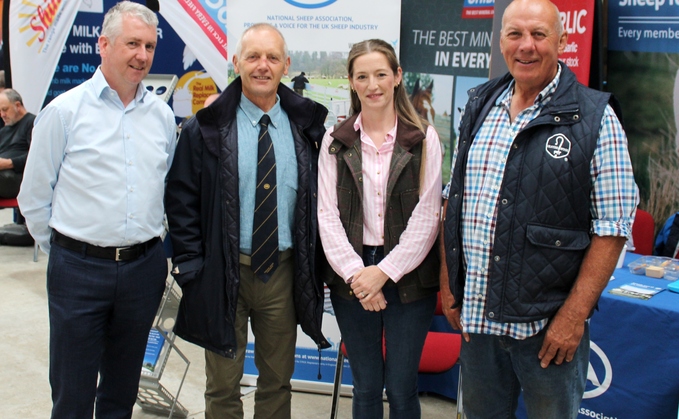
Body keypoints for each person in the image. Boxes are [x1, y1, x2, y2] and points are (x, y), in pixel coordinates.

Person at [440, 0, 638, 417]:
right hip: (479, 322)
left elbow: (613, 226)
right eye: (515, 34)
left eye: (539, 34)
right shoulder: (480, 104)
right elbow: (454, 202)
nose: (526, 46)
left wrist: (573, 317)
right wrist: (450, 285)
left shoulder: (595, 117)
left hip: (547, 329)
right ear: (501, 41)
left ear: (562, 41)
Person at [17, 2, 177, 417]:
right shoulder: (64, 112)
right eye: (132, 44)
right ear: (103, 45)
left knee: (121, 392)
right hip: (78, 270)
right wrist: (67, 253)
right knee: (72, 391)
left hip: (143, 270)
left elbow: (163, 190)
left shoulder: (161, 117)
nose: (142, 55)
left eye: (149, 46)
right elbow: (34, 197)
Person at [165, 23, 329, 419]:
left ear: (286, 65)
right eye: (252, 56)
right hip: (223, 273)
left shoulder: (308, 128)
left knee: (277, 383)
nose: (262, 66)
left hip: (283, 276)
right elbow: (180, 198)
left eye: (272, 57)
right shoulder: (205, 128)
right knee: (222, 386)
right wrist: (190, 266)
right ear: (236, 62)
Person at [318, 39, 442, 418]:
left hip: (409, 271)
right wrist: (360, 275)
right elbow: (327, 215)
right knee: (367, 387)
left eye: (381, 74)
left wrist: (384, 272)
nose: (372, 85)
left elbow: (427, 217)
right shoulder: (335, 141)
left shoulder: (423, 138)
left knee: (402, 387)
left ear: (397, 78)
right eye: (362, 76)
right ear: (351, 83)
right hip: (351, 272)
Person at [0, 89, 34, 199]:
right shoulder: (4, 130)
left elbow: (36, 157)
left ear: (17, 105)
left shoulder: (32, 123)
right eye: (0, 111)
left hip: (19, 177)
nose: (2, 115)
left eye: (5, 110)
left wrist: (9, 163)